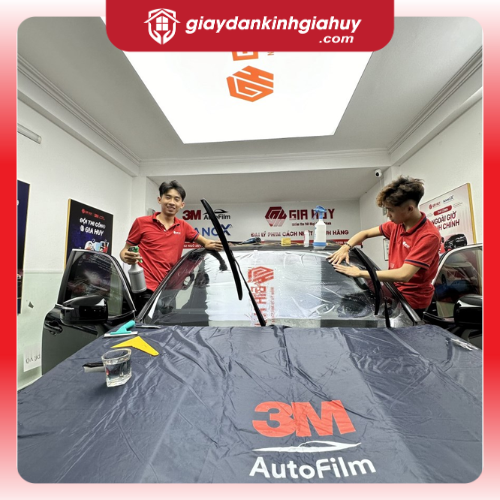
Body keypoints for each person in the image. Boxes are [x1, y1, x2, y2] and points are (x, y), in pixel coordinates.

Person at [327, 176, 441, 318]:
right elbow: (365, 233)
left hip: (412, 302)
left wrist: (360, 273)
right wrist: (346, 247)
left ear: (409, 209)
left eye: (391, 210)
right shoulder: (396, 225)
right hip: (393, 290)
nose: (388, 215)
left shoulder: (428, 236)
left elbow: (404, 275)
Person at [120, 180, 223, 307]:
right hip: (145, 288)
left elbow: (206, 242)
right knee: (145, 320)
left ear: (182, 204)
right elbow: (124, 251)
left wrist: (221, 245)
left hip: (169, 289)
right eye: (168, 197)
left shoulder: (183, 226)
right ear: (159, 199)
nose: (172, 202)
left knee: (168, 319)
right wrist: (126, 257)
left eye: (176, 199)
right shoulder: (141, 223)